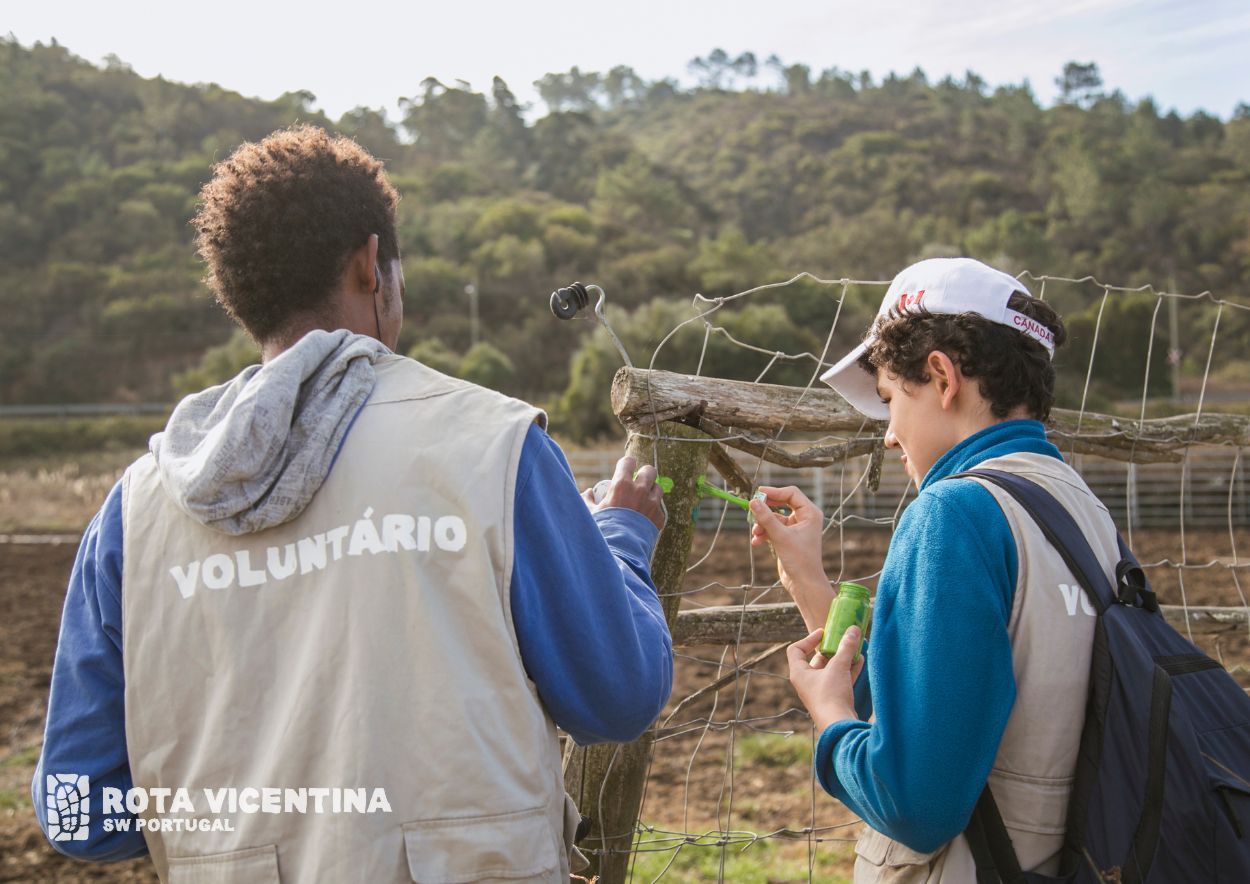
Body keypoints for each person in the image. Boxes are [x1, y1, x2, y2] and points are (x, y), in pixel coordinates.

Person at [32, 125, 673, 882]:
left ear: (241, 300)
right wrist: (623, 534)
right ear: (372, 267)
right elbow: (618, 694)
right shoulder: (492, 444)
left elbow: (77, 812)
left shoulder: (132, 514)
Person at [749, 257, 1112, 881]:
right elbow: (940, 708)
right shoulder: (1082, 509)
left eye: (891, 398)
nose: (890, 435)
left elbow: (915, 803)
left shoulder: (952, 514)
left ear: (942, 377)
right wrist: (808, 580)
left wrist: (829, 715)